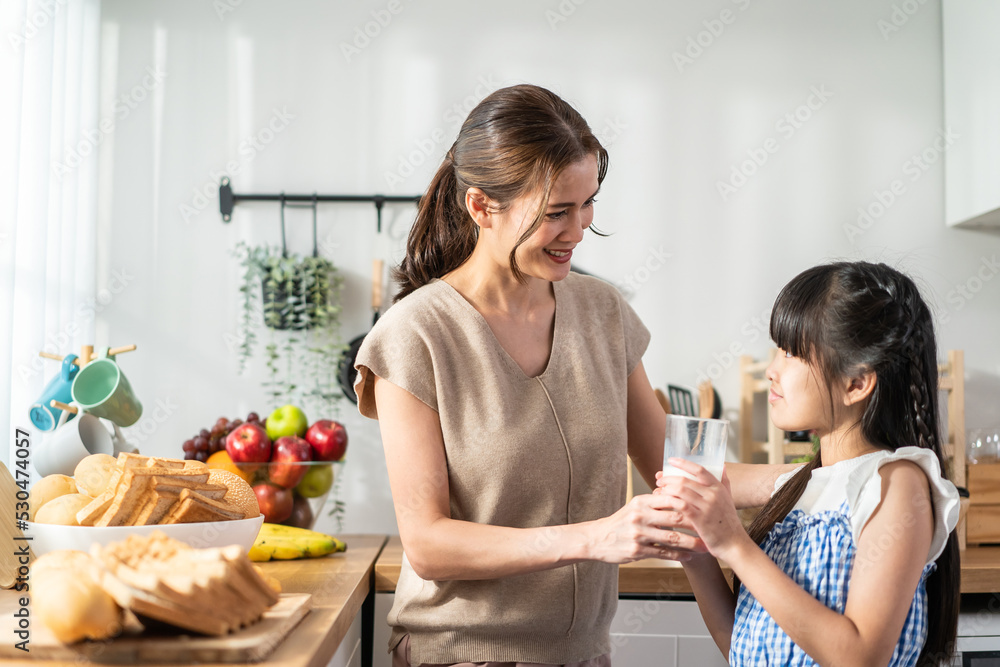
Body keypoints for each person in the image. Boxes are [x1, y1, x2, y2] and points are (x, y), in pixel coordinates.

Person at [353, 83, 703, 667]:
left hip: (585, 655)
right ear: (480, 207)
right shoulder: (416, 335)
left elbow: (677, 468)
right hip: (463, 655)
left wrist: (852, 472)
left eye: (587, 204)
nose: (578, 229)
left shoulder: (602, 312)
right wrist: (596, 537)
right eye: (555, 213)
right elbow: (429, 543)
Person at [657, 261, 961, 666]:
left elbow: (861, 657)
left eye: (791, 353)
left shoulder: (896, 483)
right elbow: (746, 648)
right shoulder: (801, 487)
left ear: (856, 383)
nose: (771, 370)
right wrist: (698, 554)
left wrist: (733, 543)